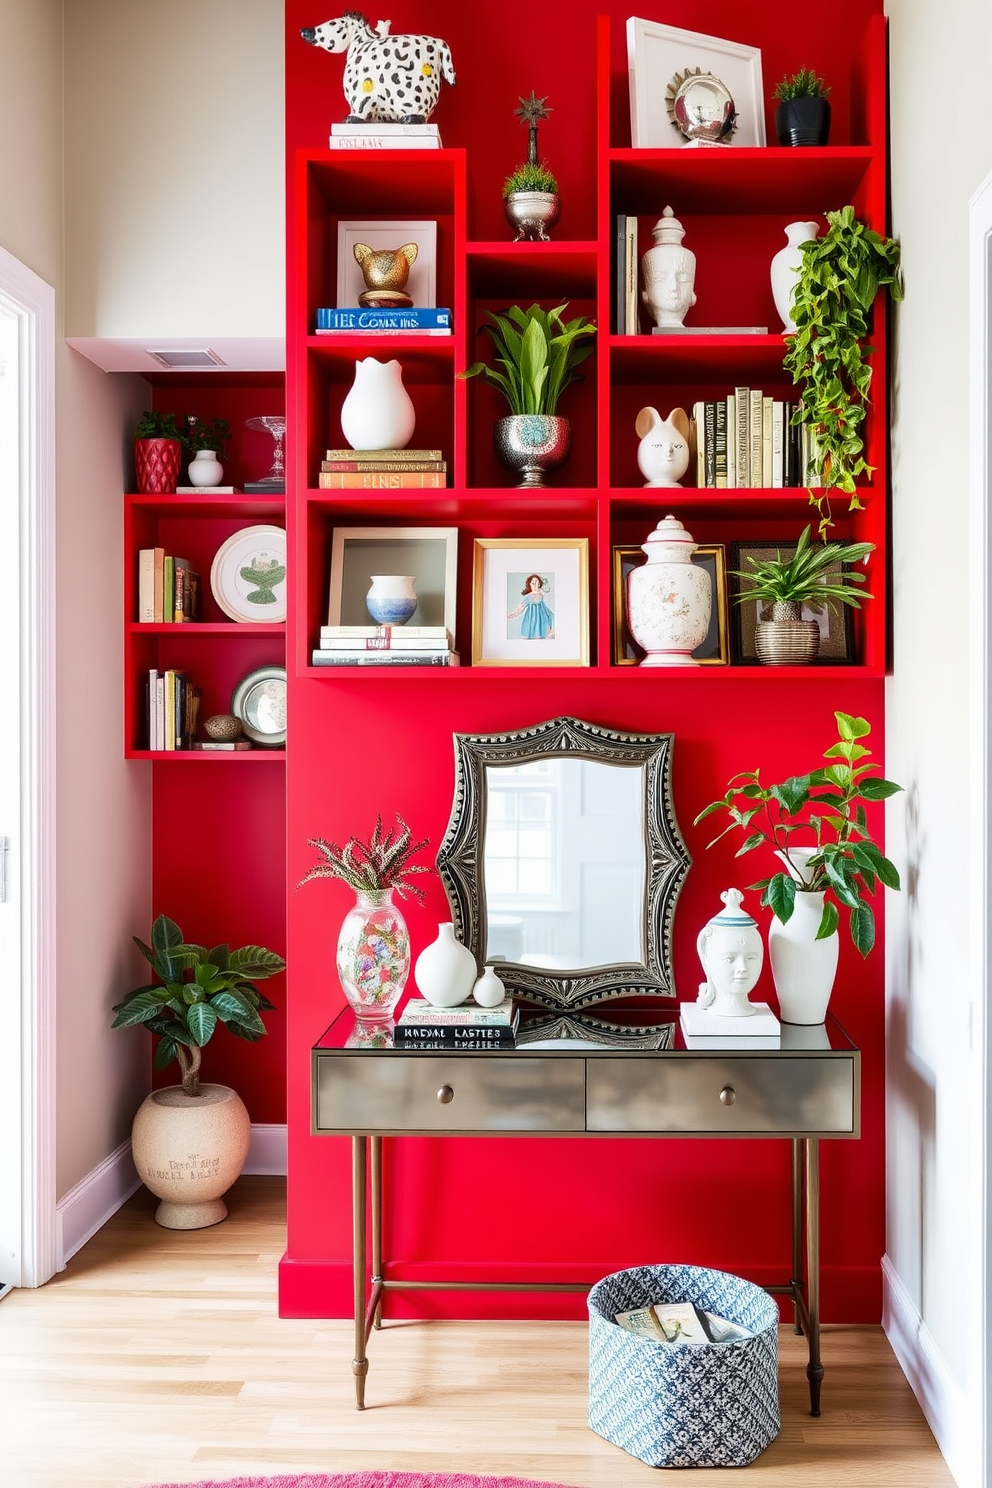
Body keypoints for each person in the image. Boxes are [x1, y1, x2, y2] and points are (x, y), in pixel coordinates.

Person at [508, 573, 555, 639]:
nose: (536, 586)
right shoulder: (529, 597)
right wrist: (515, 614)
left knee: (550, 617)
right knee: (532, 631)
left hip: (542, 615)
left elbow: (547, 592)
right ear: (529, 584)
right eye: (533, 583)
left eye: (538, 583)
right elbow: (522, 606)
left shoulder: (541, 594)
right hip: (532, 617)